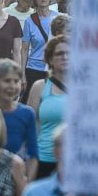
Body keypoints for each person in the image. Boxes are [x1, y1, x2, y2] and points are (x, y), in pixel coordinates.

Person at [27, 35, 67, 178]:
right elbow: (29, 127)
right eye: (59, 53)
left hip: (74, 161)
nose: (65, 57)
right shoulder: (40, 87)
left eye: (69, 53)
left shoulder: (84, 89)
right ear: (50, 59)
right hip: (44, 159)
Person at [22, 0, 55, 90]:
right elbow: (25, 49)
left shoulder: (59, 18)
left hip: (53, 68)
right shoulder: (29, 21)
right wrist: (22, 74)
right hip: (33, 69)